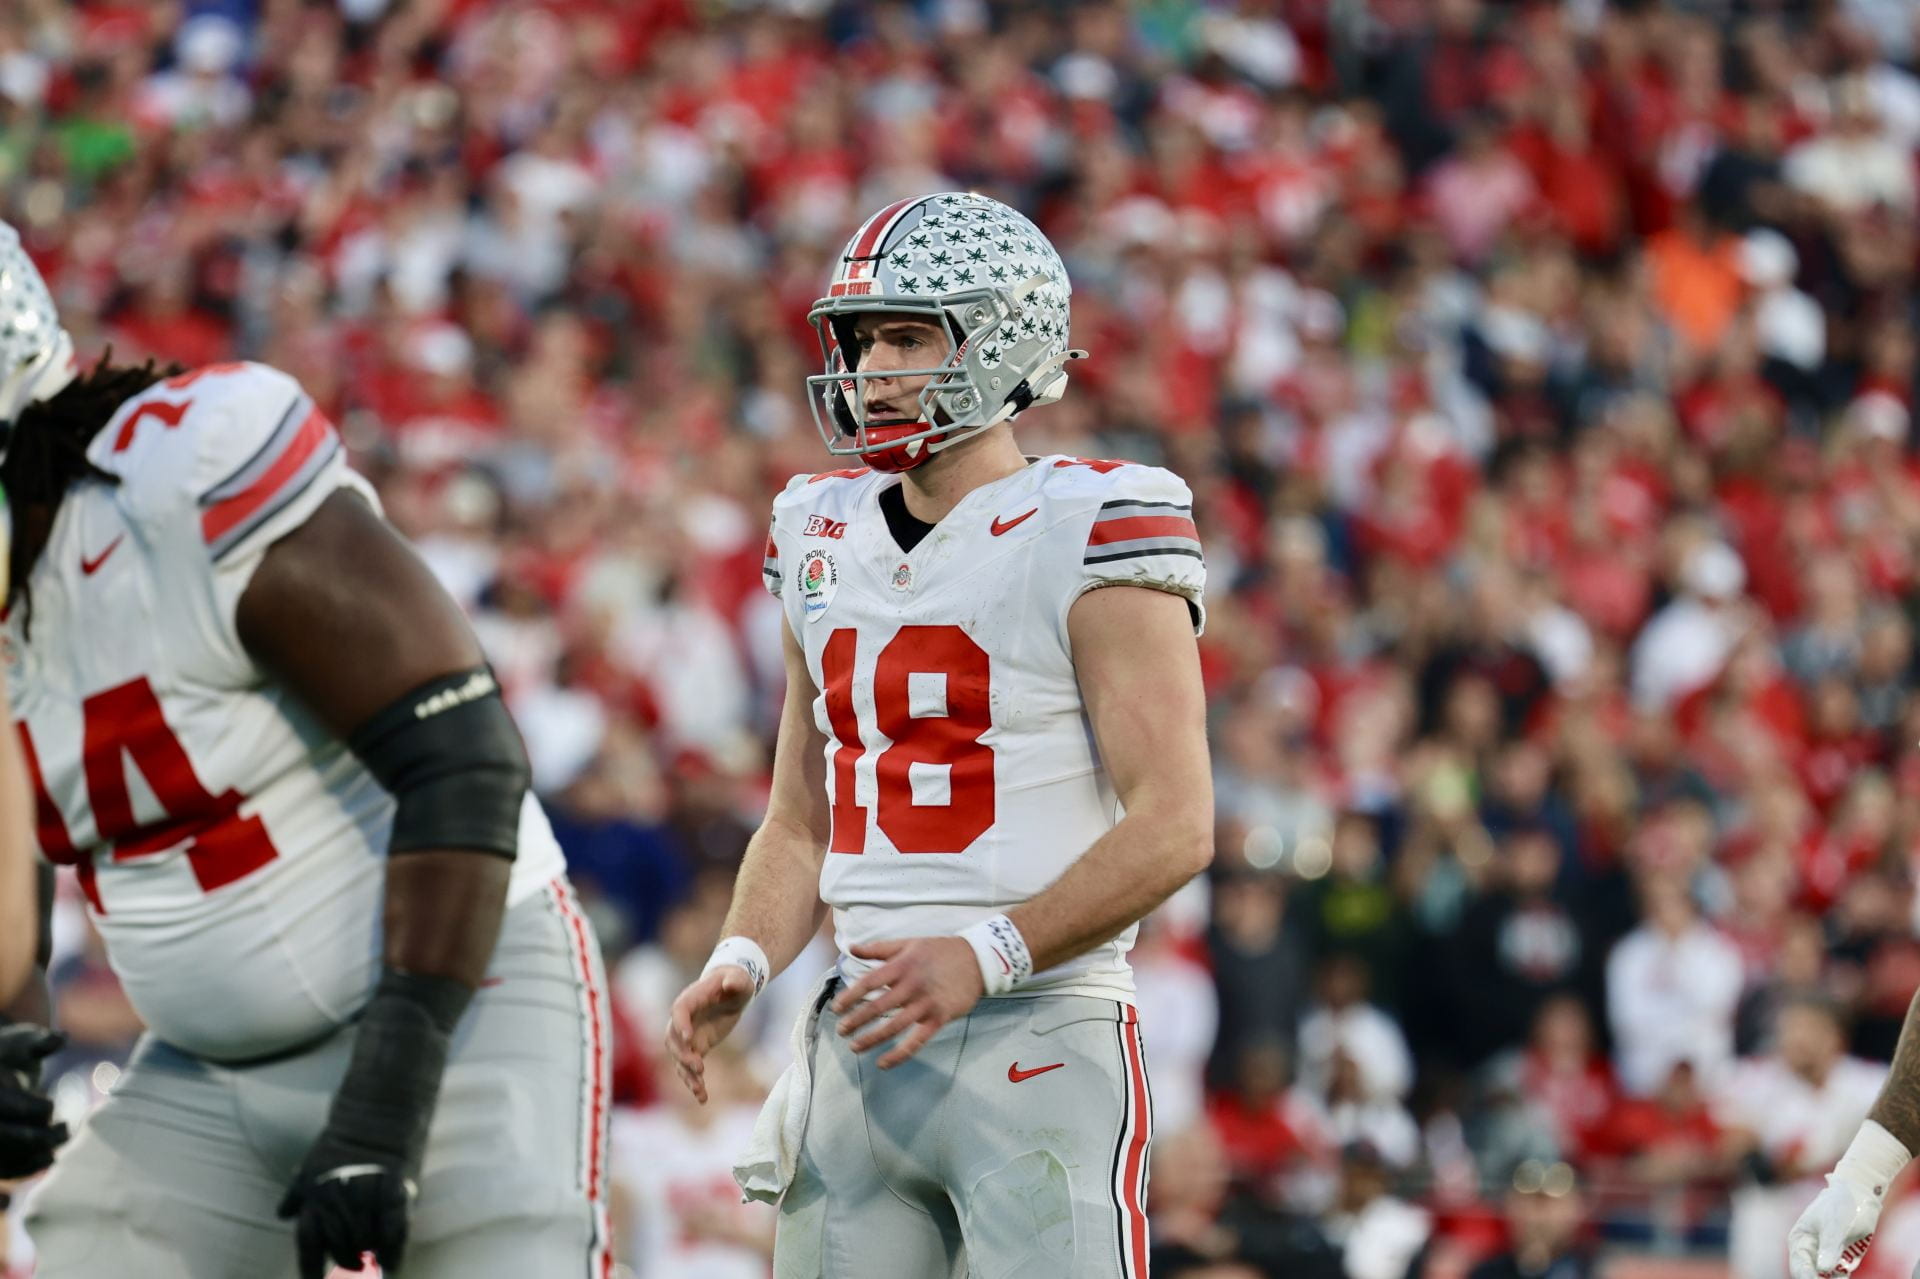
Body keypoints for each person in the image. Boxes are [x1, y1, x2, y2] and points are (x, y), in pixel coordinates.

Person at [0, 220, 613, 1279]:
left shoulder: (177, 484)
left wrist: (385, 1097)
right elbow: (9, 908)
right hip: (209, 1065)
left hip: (459, 1001)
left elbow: (464, 759)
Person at [664, 191, 1214, 1277]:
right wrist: (742, 953)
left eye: (909, 335)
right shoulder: (818, 531)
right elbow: (799, 819)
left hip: (1042, 1026)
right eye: (865, 341)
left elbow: (1178, 824)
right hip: (862, 1040)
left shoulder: (1092, 522)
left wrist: (987, 951)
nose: (874, 369)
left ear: (1006, 337)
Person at [1788, 988, 1920, 1279]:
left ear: (1835, 1036)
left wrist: (1872, 1204)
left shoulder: (1866, 1083)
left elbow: (1907, 1160)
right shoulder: (1768, 1085)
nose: (1797, 1038)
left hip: (1895, 1204)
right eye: (1791, 1028)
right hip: (1824, 1198)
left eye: (1807, 1028)